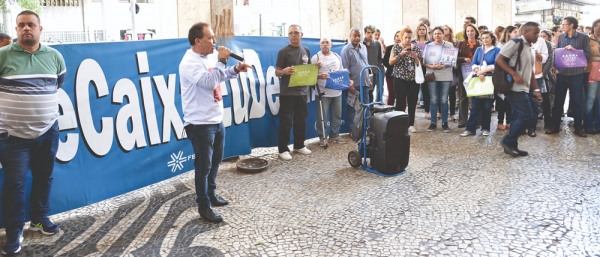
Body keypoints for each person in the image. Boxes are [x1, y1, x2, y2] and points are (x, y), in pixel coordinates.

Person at [0, 10, 66, 255]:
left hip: (47, 133)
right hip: (12, 137)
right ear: (16, 30)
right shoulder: (2, 56)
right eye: (21, 25)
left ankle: (39, 219)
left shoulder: (55, 56)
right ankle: (14, 231)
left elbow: (57, 83)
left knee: (44, 177)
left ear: (40, 29)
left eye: (31, 24)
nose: (26, 28)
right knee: (14, 185)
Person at [179, 22, 252, 223]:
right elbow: (208, 81)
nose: (214, 41)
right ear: (197, 41)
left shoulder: (210, 56)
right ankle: (203, 205)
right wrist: (221, 61)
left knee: (216, 161)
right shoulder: (189, 63)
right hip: (200, 123)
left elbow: (219, 76)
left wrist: (235, 68)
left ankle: (211, 194)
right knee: (203, 166)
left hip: (216, 119)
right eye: (210, 38)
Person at [495, 22, 543, 157]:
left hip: (525, 88)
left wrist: (536, 90)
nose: (537, 35)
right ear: (525, 33)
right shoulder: (515, 43)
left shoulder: (530, 48)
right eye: (535, 32)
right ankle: (508, 141)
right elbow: (499, 60)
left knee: (518, 116)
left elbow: (531, 71)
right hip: (514, 87)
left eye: (538, 32)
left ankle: (512, 146)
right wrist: (514, 73)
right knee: (526, 114)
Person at [546, 16, 593, 137]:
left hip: (576, 74)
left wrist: (574, 50)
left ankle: (578, 128)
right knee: (558, 101)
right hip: (562, 74)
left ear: (571, 25)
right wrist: (556, 68)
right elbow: (558, 53)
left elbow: (588, 54)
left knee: (577, 102)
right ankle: (555, 126)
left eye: (564, 24)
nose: (562, 27)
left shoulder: (583, 37)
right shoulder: (561, 37)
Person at [275, 24, 313, 160]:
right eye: (290, 33)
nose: (293, 35)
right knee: (286, 122)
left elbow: (308, 69)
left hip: (302, 92)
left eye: (296, 33)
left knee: (301, 120)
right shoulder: (283, 52)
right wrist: (283, 71)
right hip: (287, 93)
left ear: (301, 34)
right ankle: (283, 149)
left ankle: (299, 145)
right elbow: (277, 71)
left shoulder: (306, 50)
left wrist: (315, 69)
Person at [461, 31, 501, 136]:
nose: (485, 40)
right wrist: (478, 72)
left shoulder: (497, 50)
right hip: (478, 78)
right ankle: (470, 129)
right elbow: (474, 63)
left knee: (487, 106)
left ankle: (486, 128)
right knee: (475, 106)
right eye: (483, 38)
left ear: (492, 38)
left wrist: (483, 71)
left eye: (487, 37)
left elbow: (497, 65)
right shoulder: (479, 50)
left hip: (490, 79)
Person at [311, 37, 350, 145]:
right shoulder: (316, 58)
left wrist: (348, 81)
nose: (325, 44)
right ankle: (322, 138)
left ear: (331, 44)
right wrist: (318, 75)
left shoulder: (337, 56)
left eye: (327, 42)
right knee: (322, 117)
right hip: (323, 93)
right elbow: (310, 76)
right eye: (322, 43)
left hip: (337, 92)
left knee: (337, 115)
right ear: (319, 45)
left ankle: (334, 136)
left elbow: (342, 72)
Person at [389, 27, 422, 133]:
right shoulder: (396, 47)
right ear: (401, 37)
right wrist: (401, 55)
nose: (407, 40)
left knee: (412, 102)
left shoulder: (415, 48)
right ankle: (399, 123)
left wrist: (416, 58)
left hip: (412, 78)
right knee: (400, 101)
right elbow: (390, 62)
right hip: (399, 78)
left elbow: (418, 64)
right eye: (405, 37)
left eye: (409, 37)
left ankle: (411, 124)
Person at [425, 26, 455, 132]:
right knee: (433, 99)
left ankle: (444, 123)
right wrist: (432, 66)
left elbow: (452, 60)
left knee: (443, 100)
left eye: (439, 33)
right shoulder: (429, 46)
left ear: (443, 34)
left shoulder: (449, 45)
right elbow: (424, 62)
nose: (437, 35)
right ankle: (433, 123)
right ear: (433, 35)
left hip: (446, 75)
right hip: (432, 74)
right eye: (435, 33)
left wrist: (442, 66)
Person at [341, 27, 371, 132]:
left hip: (365, 83)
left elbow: (366, 64)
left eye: (359, 36)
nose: (357, 38)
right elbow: (346, 69)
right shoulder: (346, 50)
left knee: (366, 107)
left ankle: (367, 129)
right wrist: (350, 85)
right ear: (350, 37)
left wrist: (369, 80)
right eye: (355, 36)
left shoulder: (363, 47)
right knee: (352, 108)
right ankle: (352, 130)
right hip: (354, 84)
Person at [456, 24, 481, 128]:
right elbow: (455, 57)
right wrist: (464, 59)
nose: (470, 33)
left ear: (475, 32)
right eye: (468, 31)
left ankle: (476, 121)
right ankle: (462, 120)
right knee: (463, 96)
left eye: (472, 31)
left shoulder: (480, 44)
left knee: (475, 97)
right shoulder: (461, 44)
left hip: (476, 73)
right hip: (463, 72)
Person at [495, 26, 519, 131]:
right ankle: (500, 121)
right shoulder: (500, 46)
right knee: (501, 99)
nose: (517, 34)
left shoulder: (517, 45)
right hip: (502, 74)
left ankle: (509, 120)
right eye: (515, 32)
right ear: (508, 33)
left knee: (511, 99)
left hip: (513, 73)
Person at [526, 28, 549, 137]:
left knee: (535, 102)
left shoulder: (541, 41)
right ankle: (522, 126)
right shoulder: (520, 41)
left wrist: (539, 55)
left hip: (536, 76)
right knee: (523, 101)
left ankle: (531, 127)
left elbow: (545, 58)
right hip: (523, 76)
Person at [583, 18, 600, 134]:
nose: (598, 28)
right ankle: (588, 125)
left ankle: (598, 125)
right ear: (593, 27)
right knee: (590, 99)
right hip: (591, 71)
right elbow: (585, 55)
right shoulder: (587, 39)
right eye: (596, 25)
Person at [412, 22, 432, 117]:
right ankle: (412, 111)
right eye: (420, 29)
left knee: (426, 90)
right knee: (414, 89)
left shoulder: (430, 43)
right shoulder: (412, 42)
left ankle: (427, 111)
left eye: (423, 29)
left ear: (426, 31)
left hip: (426, 67)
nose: (421, 31)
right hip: (415, 67)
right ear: (417, 31)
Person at [539, 29, 556, 129]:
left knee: (546, 98)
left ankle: (548, 122)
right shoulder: (534, 43)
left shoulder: (549, 45)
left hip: (545, 76)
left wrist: (543, 73)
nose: (542, 38)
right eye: (540, 35)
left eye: (544, 36)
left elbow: (550, 60)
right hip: (534, 75)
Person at [363, 25, 384, 102]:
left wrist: (377, 67)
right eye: (368, 32)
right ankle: (367, 108)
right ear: (365, 33)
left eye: (372, 32)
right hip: (365, 71)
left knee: (374, 89)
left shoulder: (377, 44)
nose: (370, 34)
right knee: (367, 90)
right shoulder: (361, 44)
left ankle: (372, 107)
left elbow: (380, 57)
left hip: (374, 70)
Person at [383, 31, 401, 106]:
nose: (398, 38)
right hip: (390, 74)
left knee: (400, 94)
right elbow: (385, 61)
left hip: (401, 75)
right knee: (391, 93)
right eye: (396, 36)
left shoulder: (406, 49)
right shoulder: (389, 48)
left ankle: (399, 112)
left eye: (400, 36)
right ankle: (389, 110)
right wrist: (393, 65)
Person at [444, 25, 458, 122]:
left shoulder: (455, 42)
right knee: (442, 94)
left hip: (452, 69)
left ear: (450, 31)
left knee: (452, 92)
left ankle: (452, 113)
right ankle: (441, 112)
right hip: (440, 69)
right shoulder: (437, 42)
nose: (444, 31)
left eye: (445, 29)